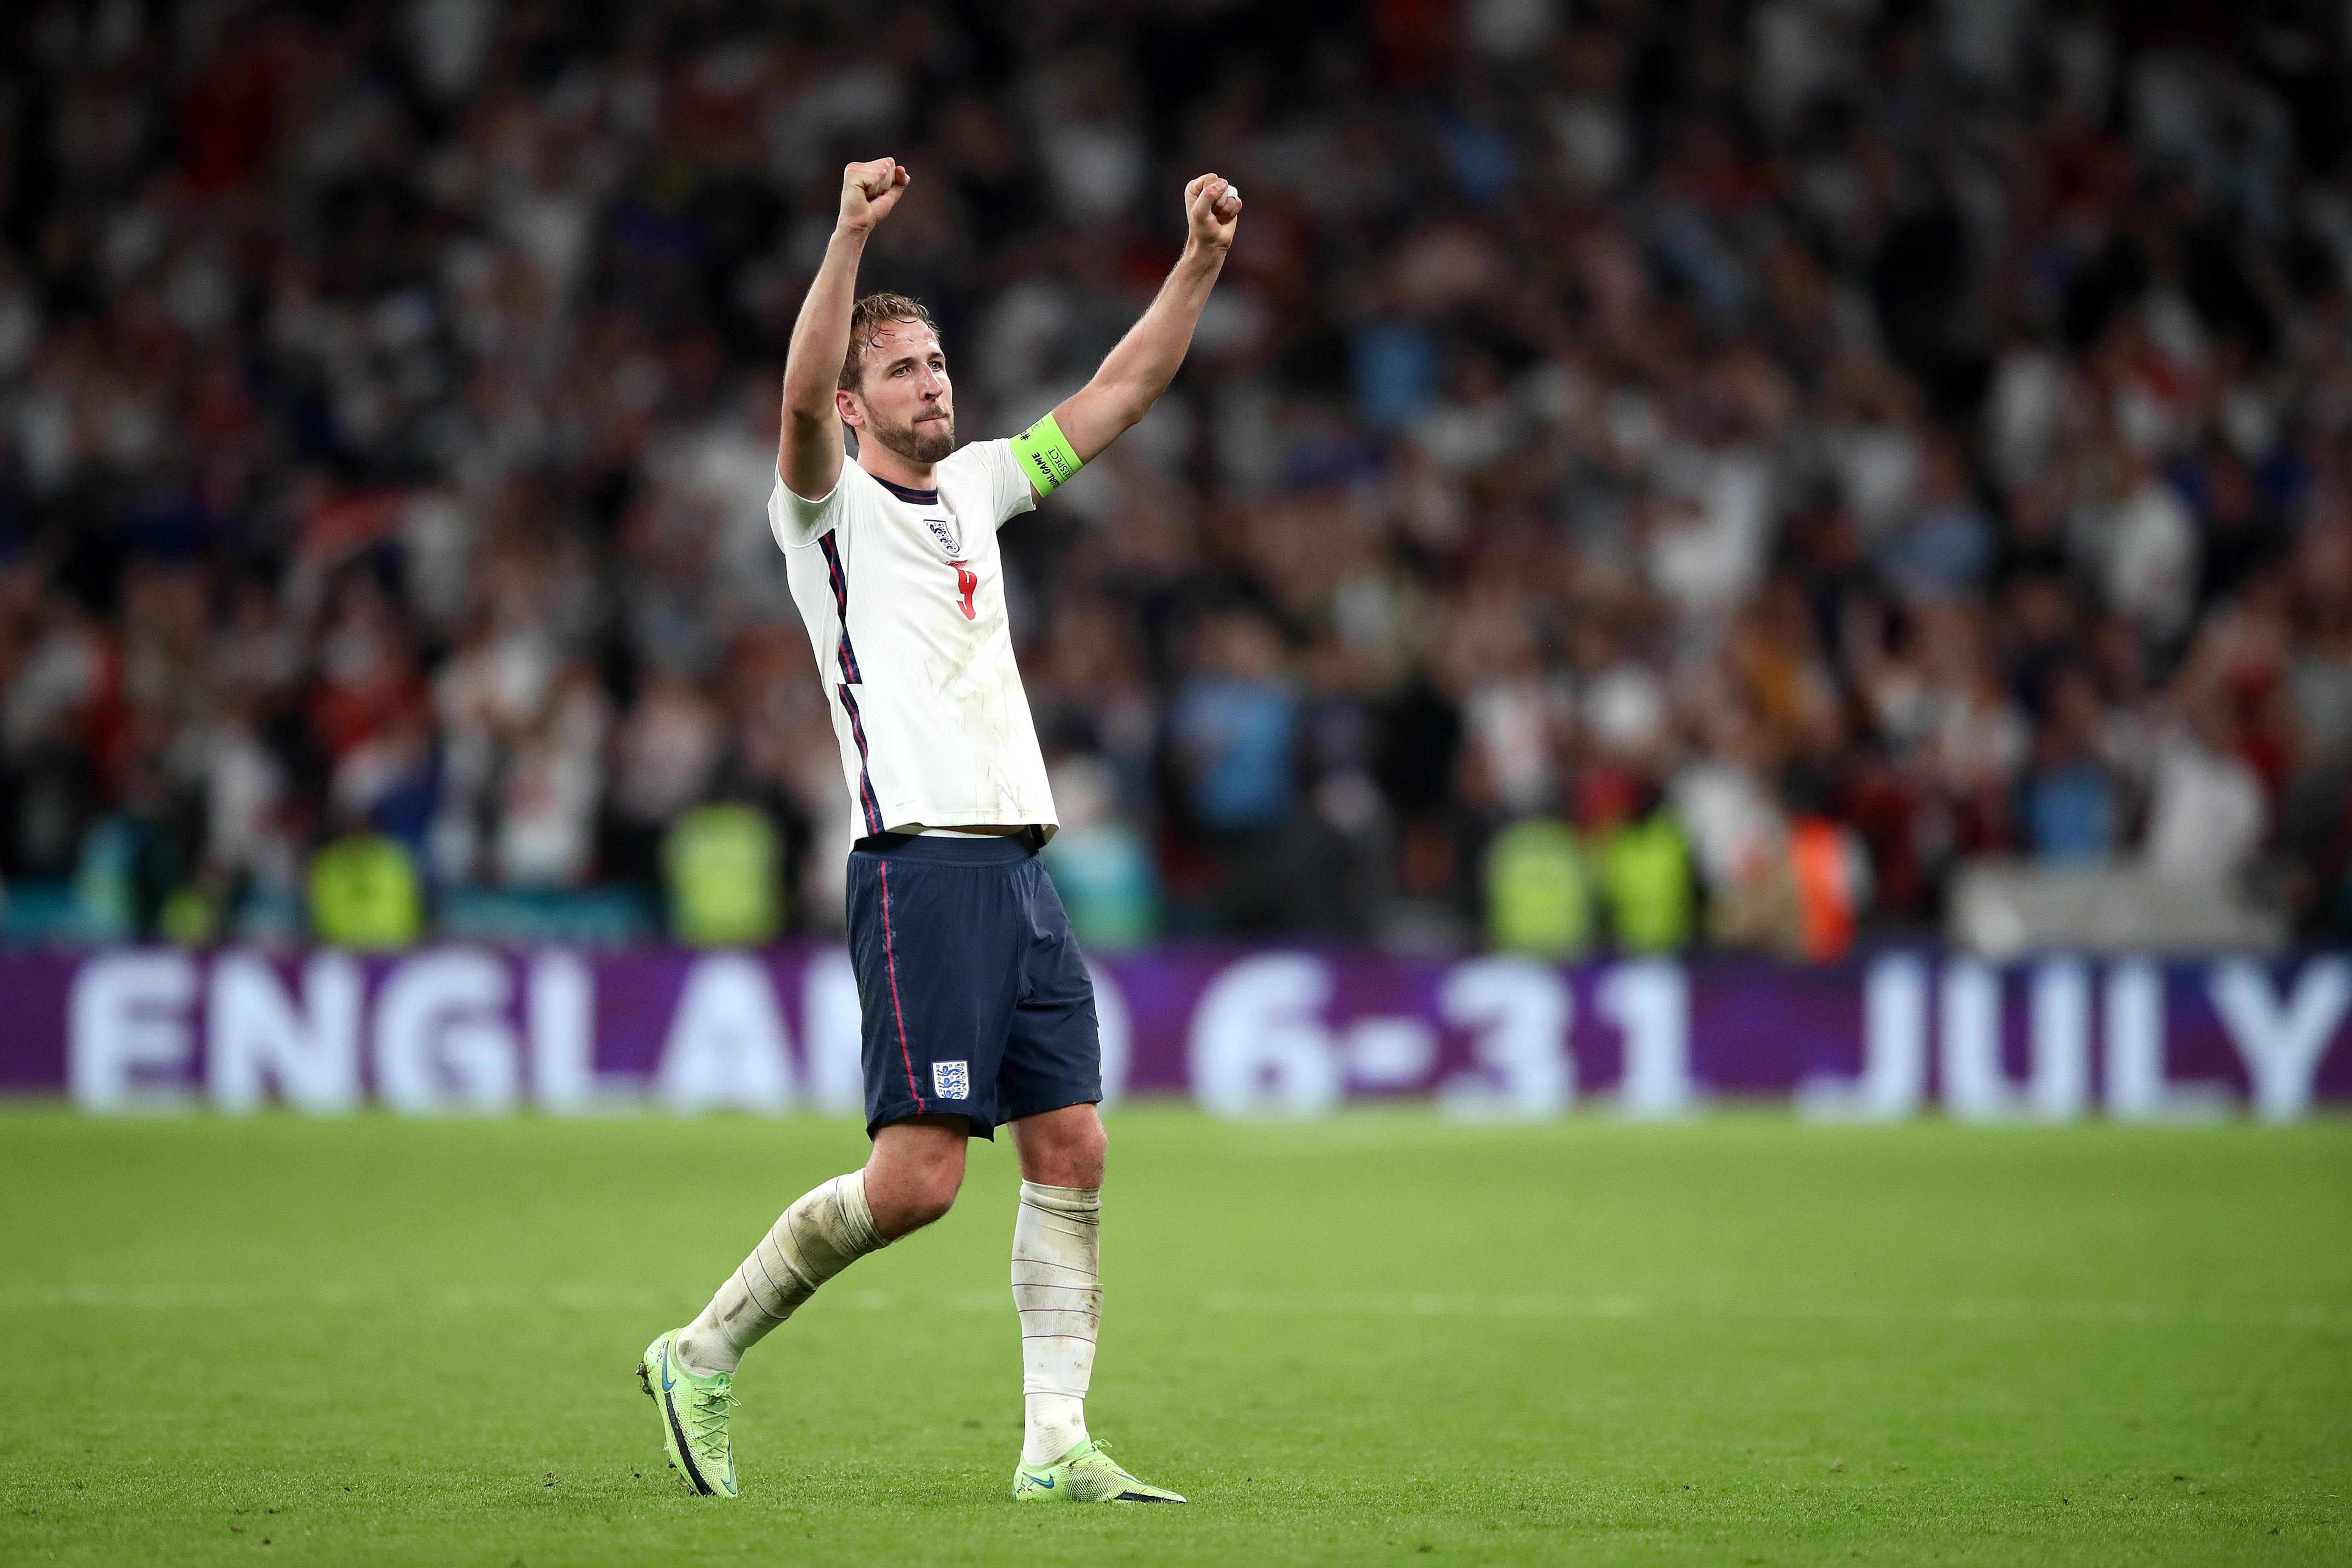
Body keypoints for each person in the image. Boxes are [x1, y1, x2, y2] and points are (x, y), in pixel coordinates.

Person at [637, 155, 1241, 1504]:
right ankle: (701, 1348)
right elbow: (795, 395)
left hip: (1023, 864)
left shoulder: (978, 486)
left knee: (1073, 1145)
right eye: (904, 370)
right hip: (920, 868)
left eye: (937, 361)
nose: (934, 382)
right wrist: (847, 235)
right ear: (857, 407)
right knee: (913, 1185)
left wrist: (1197, 261)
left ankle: (1054, 1443)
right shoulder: (824, 514)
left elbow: (1121, 392)